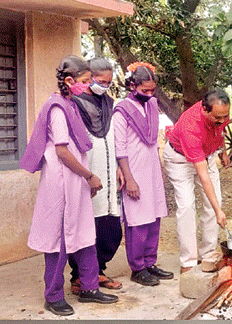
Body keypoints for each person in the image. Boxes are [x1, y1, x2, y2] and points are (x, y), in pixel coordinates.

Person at [20, 56, 118, 316]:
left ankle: (88, 287)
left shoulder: (70, 104)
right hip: (62, 182)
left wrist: (86, 177)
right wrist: (89, 176)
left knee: (85, 234)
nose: (87, 87)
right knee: (57, 241)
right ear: (69, 81)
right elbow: (62, 152)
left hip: (76, 180)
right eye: (85, 82)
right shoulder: (56, 108)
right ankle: (53, 296)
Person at [68, 57, 123, 294]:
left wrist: (120, 165)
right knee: (87, 227)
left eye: (109, 83)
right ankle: (79, 278)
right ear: (90, 78)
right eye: (101, 81)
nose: (105, 86)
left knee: (111, 228)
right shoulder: (75, 103)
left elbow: (113, 137)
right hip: (89, 171)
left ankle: (99, 271)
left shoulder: (109, 103)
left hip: (110, 173)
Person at [114, 62, 172, 286]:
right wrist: (129, 179)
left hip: (151, 169)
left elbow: (153, 141)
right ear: (132, 86)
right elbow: (120, 148)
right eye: (144, 90)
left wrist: (159, 168)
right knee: (138, 221)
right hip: (134, 171)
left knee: (154, 218)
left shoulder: (152, 105)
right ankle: (137, 268)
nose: (149, 94)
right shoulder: (122, 111)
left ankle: (150, 263)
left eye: (152, 90)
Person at [163, 89, 231, 274]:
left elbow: (221, 130)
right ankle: (188, 262)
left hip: (207, 156)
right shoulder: (190, 127)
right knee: (186, 206)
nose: (222, 119)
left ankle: (208, 255)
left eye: (225, 115)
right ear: (204, 110)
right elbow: (203, 176)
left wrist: (222, 151)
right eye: (218, 116)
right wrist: (219, 212)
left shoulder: (221, 113)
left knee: (213, 203)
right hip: (179, 160)